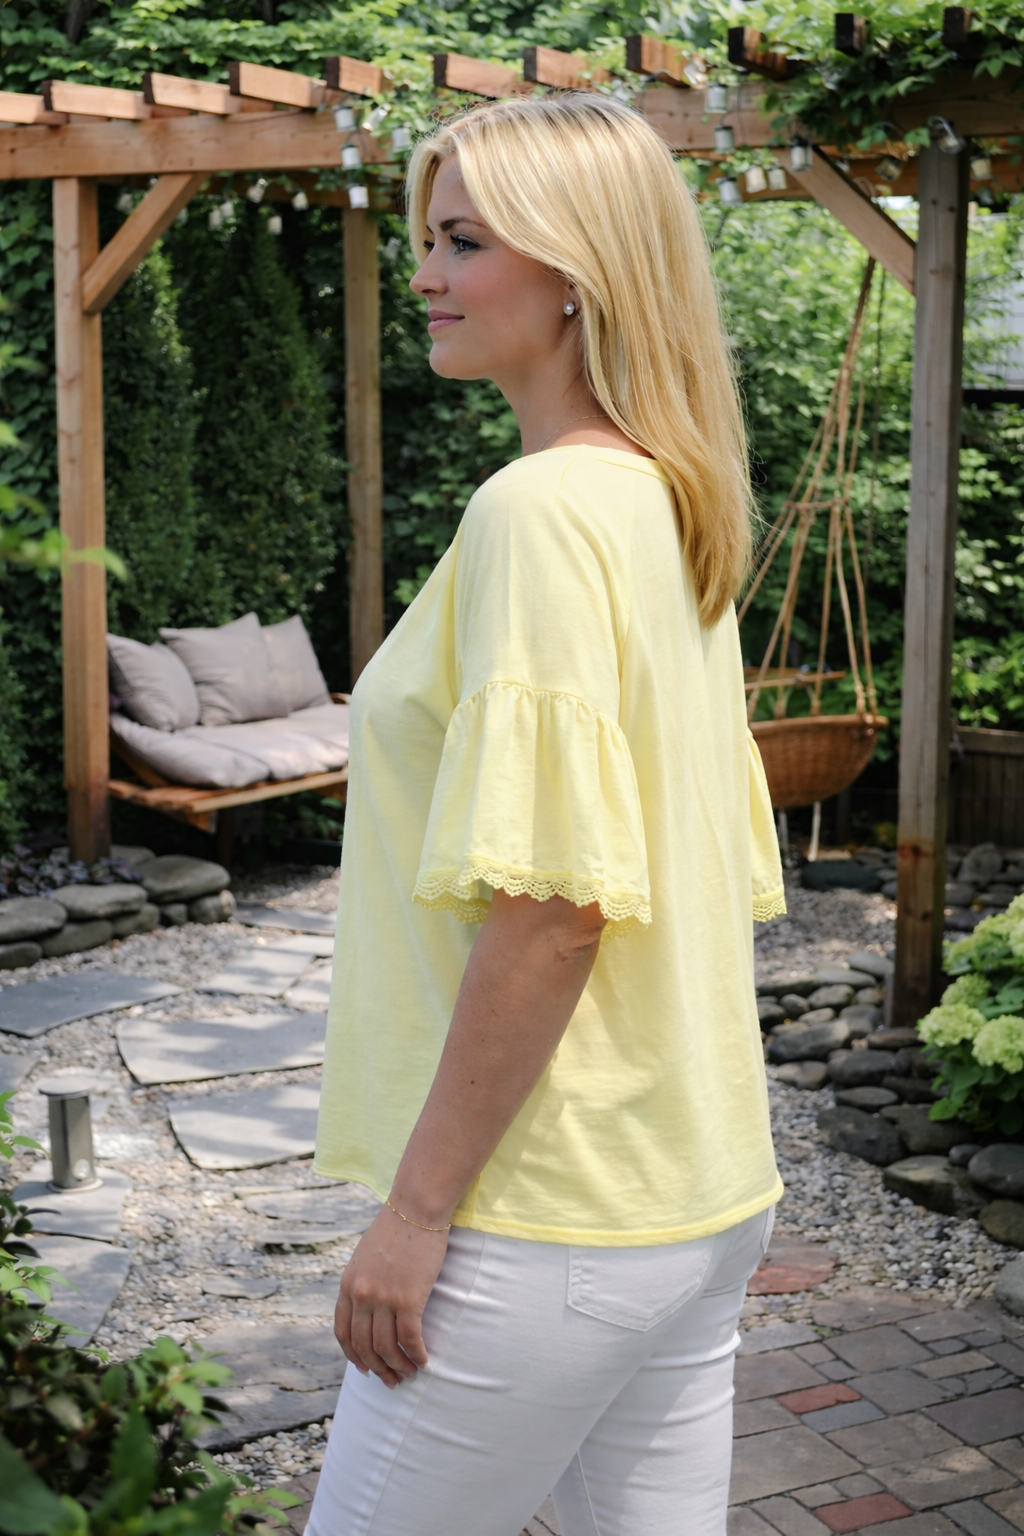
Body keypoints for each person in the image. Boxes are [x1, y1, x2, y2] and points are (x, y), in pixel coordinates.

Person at [308, 92, 785, 1536]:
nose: (425, 275)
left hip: (545, 1212)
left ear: (578, 269)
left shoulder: (541, 512)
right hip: (695, 1187)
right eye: (428, 239)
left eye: (463, 241)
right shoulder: (671, 501)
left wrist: (416, 1213)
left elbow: (558, 907)